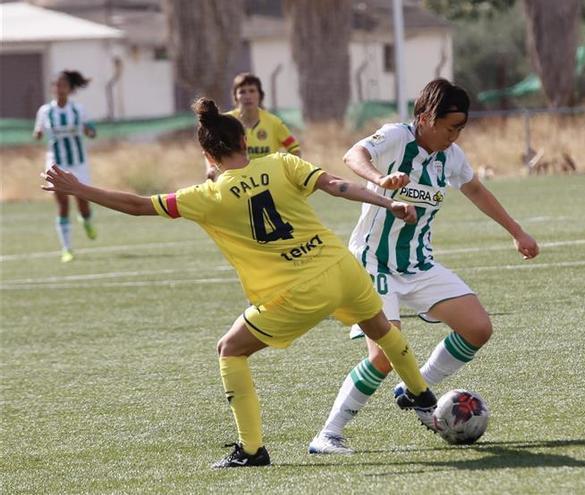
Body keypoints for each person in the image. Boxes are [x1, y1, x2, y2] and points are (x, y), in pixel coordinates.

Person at [41, 97, 437, 468]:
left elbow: (139, 205)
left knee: (230, 349)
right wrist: (389, 202)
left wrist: (79, 189)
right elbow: (338, 184)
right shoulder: (282, 163)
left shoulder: (207, 195)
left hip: (299, 291)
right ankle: (420, 394)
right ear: (245, 141)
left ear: (207, 154)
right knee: (380, 329)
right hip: (342, 267)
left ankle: (251, 449)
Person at [308, 78, 539, 455]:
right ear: (425, 117)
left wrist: (517, 232)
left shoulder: (452, 157)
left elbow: (476, 190)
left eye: (461, 128)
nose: (455, 136)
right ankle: (328, 434)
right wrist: (380, 178)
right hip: (372, 262)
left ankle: (416, 390)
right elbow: (353, 156)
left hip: (417, 264)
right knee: (383, 355)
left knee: (478, 328)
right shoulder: (396, 137)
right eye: (450, 127)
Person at [34, 70, 98, 262]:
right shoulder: (45, 111)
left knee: (83, 203)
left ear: (70, 88)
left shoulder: (78, 109)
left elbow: (92, 131)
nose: (58, 87)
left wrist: (89, 131)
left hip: (78, 163)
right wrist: (37, 134)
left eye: (62, 84)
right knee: (62, 205)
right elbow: (38, 131)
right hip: (56, 163)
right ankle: (67, 249)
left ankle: (86, 220)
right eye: (55, 84)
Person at [204, 72, 301, 181]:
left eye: (252, 91)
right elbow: (211, 150)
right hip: (236, 183)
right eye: (242, 92)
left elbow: (294, 148)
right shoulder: (225, 122)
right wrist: (211, 168)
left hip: (268, 182)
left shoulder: (274, 122)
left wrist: (291, 172)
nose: (247, 96)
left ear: (260, 95)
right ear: (235, 96)